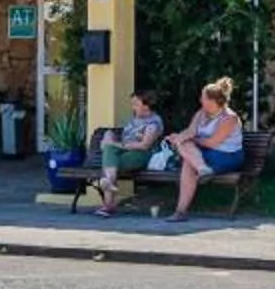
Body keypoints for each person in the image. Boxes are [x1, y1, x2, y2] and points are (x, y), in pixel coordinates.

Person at [168, 77, 245, 219]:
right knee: (185, 150)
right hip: (205, 155)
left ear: (212, 101)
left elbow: (211, 143)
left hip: (227, 156)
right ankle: (203, 170)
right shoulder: (201, 113)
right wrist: (178, 137)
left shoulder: (229, 118)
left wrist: (188, 139)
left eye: (203, 97)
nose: (200, 100)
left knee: (188, 158)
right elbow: (190, 131)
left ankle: (180, 211)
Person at [88, 90, 166, 217]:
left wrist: (114, 144)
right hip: (123, 152)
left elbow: (144, 145)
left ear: (146, 106)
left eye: (136, 104)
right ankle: (109, 185)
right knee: (109, 149)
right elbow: (122, 139)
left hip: (141, 155)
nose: (133, 107)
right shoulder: (134, 119)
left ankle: (108, 201)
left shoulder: (154, 122)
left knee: (109, 156)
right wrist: (109, 136)